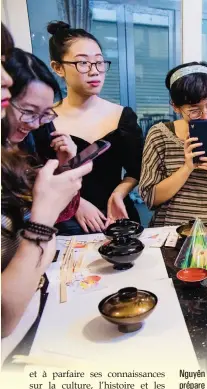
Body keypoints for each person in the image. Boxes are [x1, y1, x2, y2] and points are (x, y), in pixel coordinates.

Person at [1, 23, 92, 363]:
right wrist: (41, 220)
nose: (37, 123)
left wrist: (65, 168)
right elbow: (3, 318)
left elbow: (55, 214)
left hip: (34, 309)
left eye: (44, 114)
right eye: (27, 111)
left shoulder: (16, 151)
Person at [33, 21, 143, 234]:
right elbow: (35, 174)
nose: (95, 72)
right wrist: (76, 203)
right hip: (66, 218)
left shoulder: (123, 116)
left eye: (99, 63)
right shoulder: (44, 119)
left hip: (116, 214)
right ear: (58, 68)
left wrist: (119, 194)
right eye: (83, 63)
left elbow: (136, 170)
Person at [138, 61, 207, 226]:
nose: (205, 115)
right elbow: (150, 198)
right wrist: (187, 168)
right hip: (171, 229)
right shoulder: (159, 135)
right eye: (194, 110)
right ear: (175, 107)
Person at [2, 48, 77, 166]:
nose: (35, 125)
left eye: (45, 113)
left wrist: (64, 164)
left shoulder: (42, 134)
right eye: (28, 111)